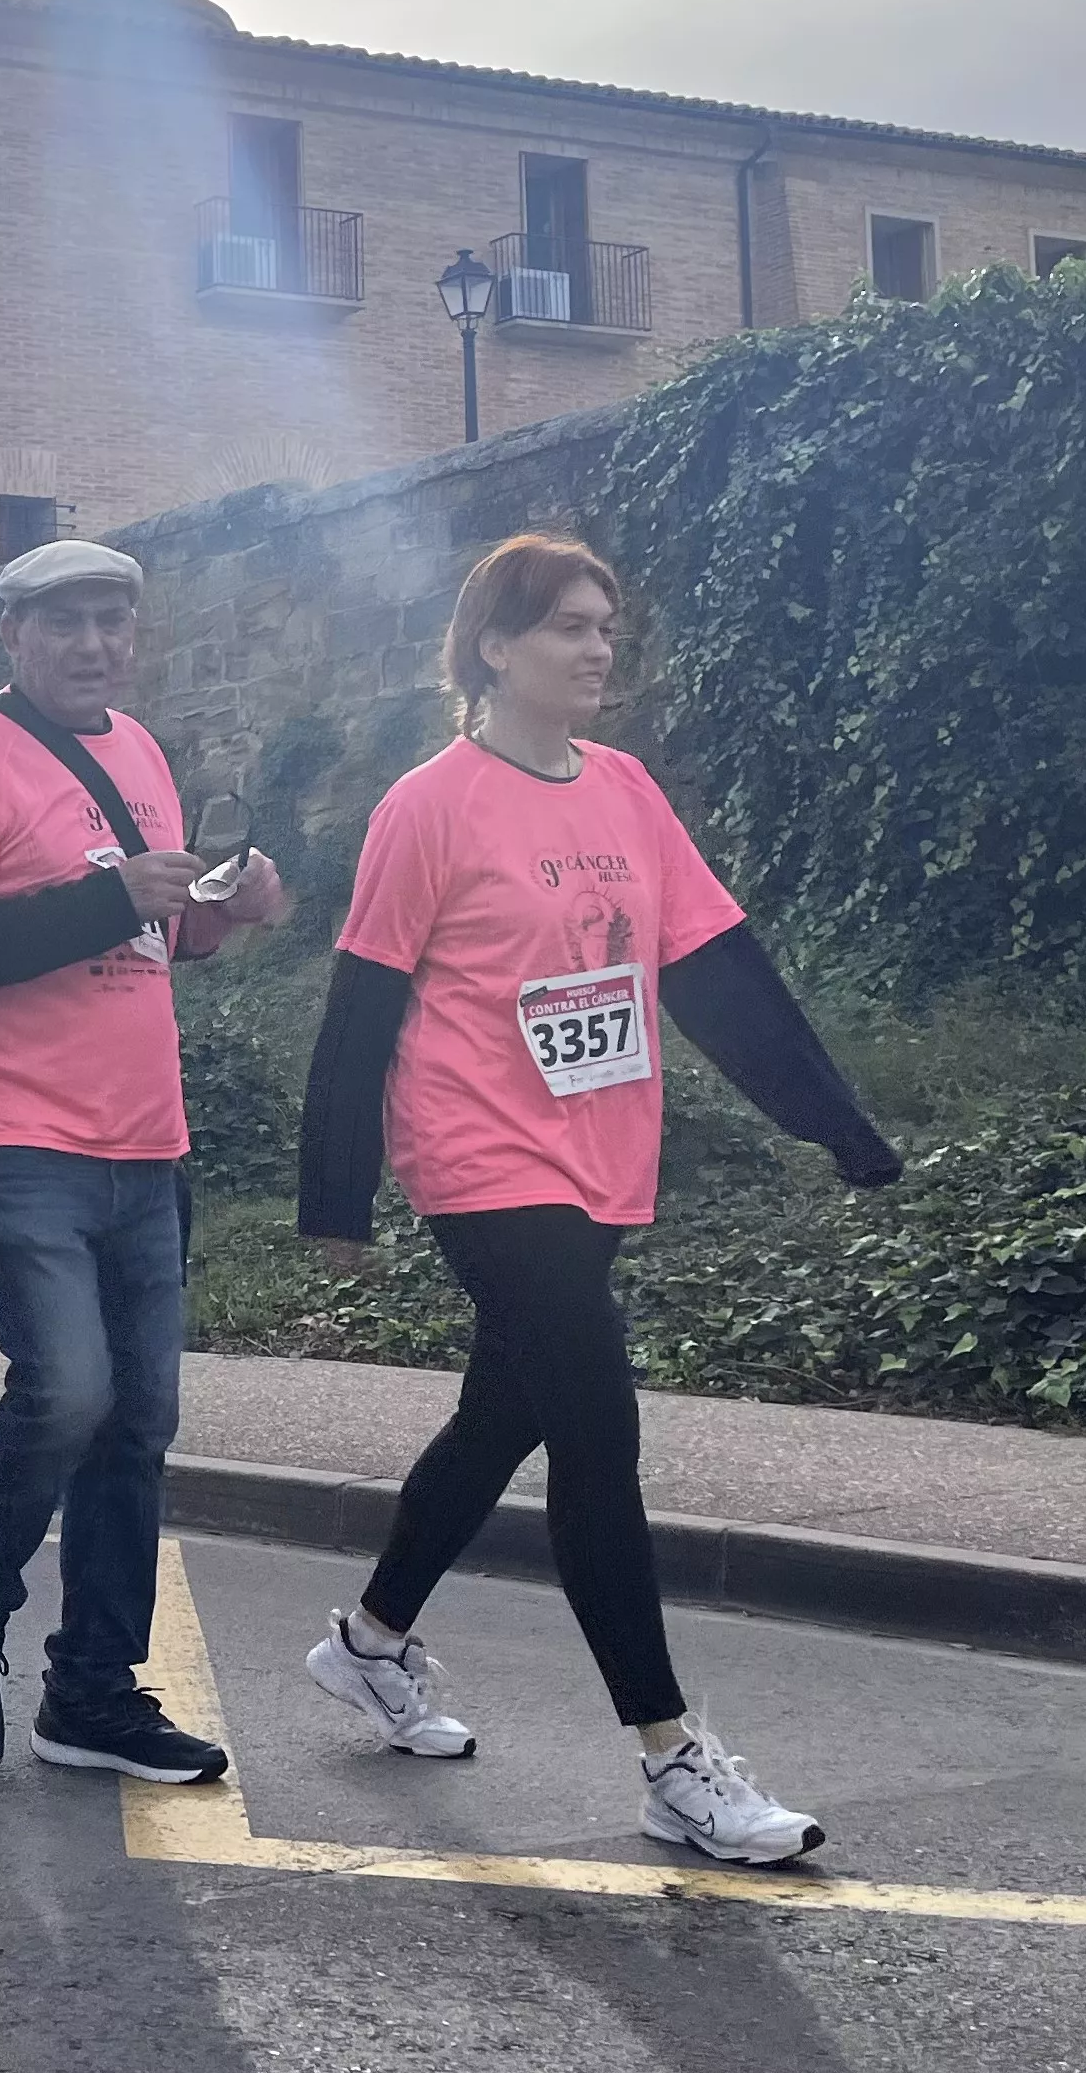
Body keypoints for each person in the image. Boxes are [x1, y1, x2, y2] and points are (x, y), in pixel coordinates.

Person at [294, 534, 899, 1864]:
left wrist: (834, 1120)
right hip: (477, 1151)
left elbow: (716, 973)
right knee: (594, 1426)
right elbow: (362, 1006)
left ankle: (368, 1640)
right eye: (566, 623)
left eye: (604, 622)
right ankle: (671, 1757)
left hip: (599, 1154)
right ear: (493, 647)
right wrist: (330, 1192)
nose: (595, 644)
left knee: (499, 1413)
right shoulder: (428, 805)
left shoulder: (623, 790)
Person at [0, 539, 288, 1789]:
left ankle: (94, 1691)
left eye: (112, 620)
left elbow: (153, 943)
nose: (92, 643)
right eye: (65, 621)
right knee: (65, 1387)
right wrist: (116, 890)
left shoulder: (142, 749)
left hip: (146, 1132)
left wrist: (220, 914)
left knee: (140, 1421)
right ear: (13, 634)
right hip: (16, 1128)